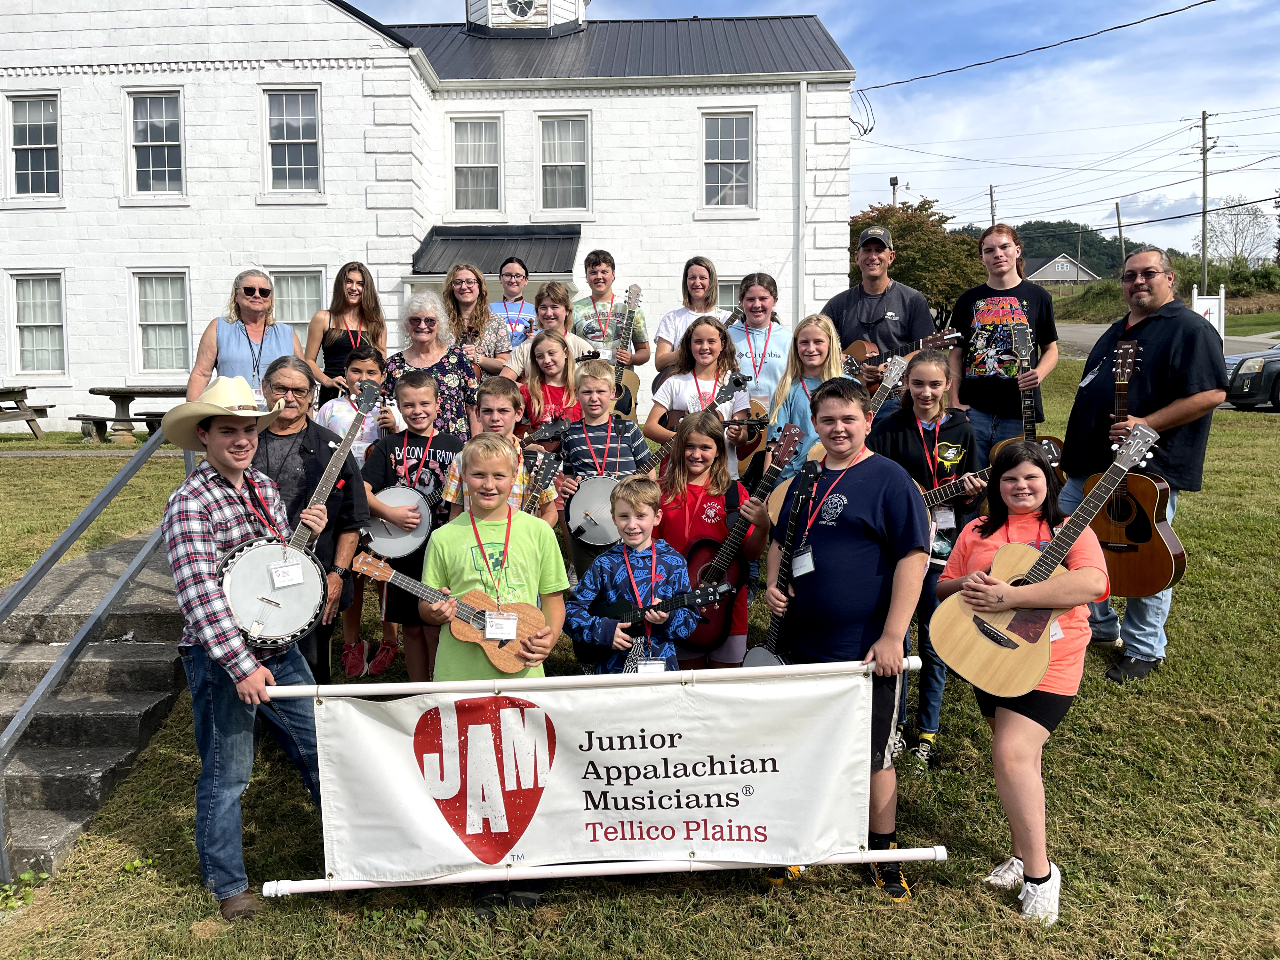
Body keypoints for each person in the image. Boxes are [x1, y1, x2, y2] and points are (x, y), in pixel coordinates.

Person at [160, 375, 327, 922]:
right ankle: (229, 884)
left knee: (322, 750)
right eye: (227, 430)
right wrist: (241, 666)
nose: (241, 439)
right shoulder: (190, 502)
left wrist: (301, 540)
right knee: (228, 773)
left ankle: (350, 848)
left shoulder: (261, 487)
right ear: (204, 436)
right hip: (222, 659)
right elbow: (199, 594)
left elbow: (274, 574)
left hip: (279, 647)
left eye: (248, 429)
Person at [764, 377, 929, 902]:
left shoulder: (888, 479)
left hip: (865, 649)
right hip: (800, 642)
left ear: (867, 422)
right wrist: (771, 582)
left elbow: (914, 557)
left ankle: (882, 850)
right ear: (815, 423)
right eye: (828, 420)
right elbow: (777, 539)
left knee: (875, 752)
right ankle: (798, 841)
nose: (838, 428)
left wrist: (893, 636)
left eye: (848, 419)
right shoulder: (806, 479)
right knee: (799, 745)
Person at [937, 442, 1110, 925]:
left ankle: (1039, 875)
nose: (1021, 487)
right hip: (988, 650)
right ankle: (1020, 853)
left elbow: (1092, 585)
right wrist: (973, 582)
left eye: (1031, 478)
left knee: (1011, 753)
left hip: (1052, 656)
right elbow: (943, 584)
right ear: (996, 484)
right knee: (1020, 759)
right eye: (1010, 479)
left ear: (1048, 481)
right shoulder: (977, 528)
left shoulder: (1068, 529)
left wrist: (1013, 593)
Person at [1057, 246, 1228, 682]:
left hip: (1147, 469)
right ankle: (1100, 626)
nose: (1138, 282)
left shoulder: (1189, 329)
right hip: (1088, 467)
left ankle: (1145, 648)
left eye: (1148, 273)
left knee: (1144, 556)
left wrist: (1146, 423)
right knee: (1075, 546)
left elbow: (1211, 393)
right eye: (1129, 276)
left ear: (1169, 277)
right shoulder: (1117, 331)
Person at [418, 432, 568, 917]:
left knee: (524, 768)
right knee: (474, 772)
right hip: (461, 672)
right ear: (462, 478)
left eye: (499, 475)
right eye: (478, 475)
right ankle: (483, 871)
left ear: (515, 480)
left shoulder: (537, 532)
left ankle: (526, 864)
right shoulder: (444, 537)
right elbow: (426, 605)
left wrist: (550, 635)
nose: (488, 484)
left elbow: (552, 600)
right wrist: (435, 613)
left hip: (523, 666)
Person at [868, 349, 985, 765]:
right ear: (906, 385)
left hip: (945, 546)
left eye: (935, 384)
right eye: (917, 383)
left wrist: (972, 491)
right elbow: (873, 483)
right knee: (895, 634)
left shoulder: (962, 429)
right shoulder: (888, 428)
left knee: (934, 639)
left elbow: (975, 491)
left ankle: (928, 730)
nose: (926, 391)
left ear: (948, 386)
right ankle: (896, 723)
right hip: (898, 547)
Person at [251, 356, 369, 684]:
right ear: (264, 389)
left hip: (313, 579)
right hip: (251, 574)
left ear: (312, 394)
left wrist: (336, 577)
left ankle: (312, 733)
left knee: (311, 671)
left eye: (299, 391)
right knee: (252, 668)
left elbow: (352, 519)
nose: (290, 398)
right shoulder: (243, 441)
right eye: (281, 388)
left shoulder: (332, 447)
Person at [361, 371, 464, 682]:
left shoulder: (456, 446)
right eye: (408, 405)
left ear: (438, 404)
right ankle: (419, 689)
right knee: (411, 625)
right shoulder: (388, 445)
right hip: (402, 547)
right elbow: (363, 491)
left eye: (424, 403)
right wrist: (390, 514)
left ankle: (439, 685)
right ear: (398, 407)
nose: (417, 411)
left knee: (436, 624)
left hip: (441, 546)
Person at [314, 344, 403, 677]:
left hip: (383, 497)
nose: (363, 378)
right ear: (345, 375)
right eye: (356, 372)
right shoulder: (332, 409)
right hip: (343, 495)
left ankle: (389, 639)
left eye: (371, 373)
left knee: (384, 570)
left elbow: (408, 446)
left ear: (382, 377)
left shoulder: (393, 408)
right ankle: (352, 642)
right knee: (352, 568)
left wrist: (395, 428)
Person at [655, 411, 768, 669]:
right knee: (686, 681)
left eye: (705, 447)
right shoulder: (662, 493)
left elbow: (750, 554)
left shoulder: (733, 493)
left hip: (726, 605)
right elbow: (651, 549)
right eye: (689, 446)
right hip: (677, 603)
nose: (696, 454)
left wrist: (761, 527)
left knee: (725, 685)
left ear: (718, 450)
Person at [948, 224, 1059, 468]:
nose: (998, 254)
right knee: (972, 479)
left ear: (1017, 250)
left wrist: (1038, 374)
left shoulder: (1039, 297)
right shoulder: (968, 300)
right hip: (974, 407)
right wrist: (953, 400)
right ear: (982, 259)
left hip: (1018, 408)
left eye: (1004, 247)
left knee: (1013, 476)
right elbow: (955, 353)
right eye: (990, 250)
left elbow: (1051, 349)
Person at [565, 475, 700, 673]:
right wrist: (603, 632)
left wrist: (668, 618)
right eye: (624, 516)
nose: (631, 524)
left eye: (640, 516)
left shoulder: (673, 562)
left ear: (657, 517)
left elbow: (690, 621)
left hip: (660, 669)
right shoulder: (605, 564)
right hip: (613, 671)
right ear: (613, 518)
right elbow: (570, 613)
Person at [559, 360, 658, 580]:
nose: (594, 398)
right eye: (587, 392)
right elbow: (568, 474)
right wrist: (566, 485)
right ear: (577, 394)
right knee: (590, 583)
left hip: (627, 521)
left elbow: (650, 476)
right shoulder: (570, 433)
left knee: (629, 581)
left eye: (600, 391)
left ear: (613, 392)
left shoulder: (628, 429)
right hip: (585, 522)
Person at [821, 226, 934, 418]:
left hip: (897, 401)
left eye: (879, 250)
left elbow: (926, 348)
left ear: (891, 257)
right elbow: (819, 342)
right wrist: (844, 360)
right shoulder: (838, 304)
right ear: (857, 257)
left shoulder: (912, 299)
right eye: (867, 250)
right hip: (850, 402)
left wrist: (892, 368)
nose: (873, 256)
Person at [441, 377, 559, 526]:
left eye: (503, 411)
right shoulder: (461, 459)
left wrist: (533, 538)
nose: (495, 418)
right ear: (477, 413)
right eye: (487, 411)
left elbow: (550, 512)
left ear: (518, 413)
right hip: (474, 543)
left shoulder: (535, 461)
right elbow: (455, 516)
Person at [643, 315, 749, 477]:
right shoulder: (675, 382)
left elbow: (742, 437)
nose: (704, 347)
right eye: (698, 341)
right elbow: (650, 427)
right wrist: (685, 439)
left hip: (722, 475)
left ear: (723, 344)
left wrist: (737, 435)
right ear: (689, 345)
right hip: (680, 475)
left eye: (711, 341)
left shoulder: (735, 383)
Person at [187, 269, 303, 404]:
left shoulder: (287, 333)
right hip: (231, 413)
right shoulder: (218, 327)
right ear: (236, 295)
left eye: (264, 292)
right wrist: (191, 415)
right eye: (249, 290)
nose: (257, 295)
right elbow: (201, 374)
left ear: (270, 299)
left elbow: (304, 378)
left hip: (277, 415)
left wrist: (308, 418)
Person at [384, 291, 480, 440]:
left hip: (454, 447)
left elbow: (473, 406)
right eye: (415, 320)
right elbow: (388, 410)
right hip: (410, 448)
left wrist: (476, 444)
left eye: (430, 320)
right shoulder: (393, 365)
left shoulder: (457, 357)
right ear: (406, 325)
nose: (423, 326)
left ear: (439, 324)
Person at [765, 313, 847, 483]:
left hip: (838, 477)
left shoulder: (849, 387)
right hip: (792, 479)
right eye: (804, 342)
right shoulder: (786, 390)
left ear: (831, 345)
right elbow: (773, 445)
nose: (811, 349)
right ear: (795, 346)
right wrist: (765, 493)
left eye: (818, 342)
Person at [728, 273, 791, 488]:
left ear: (774, 300)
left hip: (775, 421)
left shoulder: (788, 338)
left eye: (763, 299)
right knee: (736, 484)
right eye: (750, 299)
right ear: (741, 302)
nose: (757, 305)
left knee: (770, 485)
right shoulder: (727, 336)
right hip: (739, 423)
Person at [303, 261, 388, 406]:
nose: (354, 288)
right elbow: (308, 360)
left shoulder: (376, 323)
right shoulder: (323, 318)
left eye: (360, 284)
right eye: (349, 282)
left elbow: (381, 363)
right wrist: (327, 381)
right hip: (334, 393)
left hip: (365, 394)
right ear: (340, 285)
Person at [500, 280, 598, 381]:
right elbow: (504, 380)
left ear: (567, 310)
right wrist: (529, 391)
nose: (549, 313)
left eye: (554, 307)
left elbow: (595, 384)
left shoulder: (580, 346)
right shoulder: (526, 346)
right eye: (543, 307)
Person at [571, 249, 651, 368]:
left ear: (613, 275)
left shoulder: (631, 309)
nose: (599, 277)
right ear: (586, 277)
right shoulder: (574, 309)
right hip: (586, 381)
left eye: (604, 272)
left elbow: (644, 351)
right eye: (593, 272)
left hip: (621, 381)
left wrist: (632, 358)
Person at [653, 256, 730, 375]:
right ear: (686, 282)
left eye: (703, 278)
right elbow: (660, 362)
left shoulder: (726, 318)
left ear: (711, 281)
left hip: (717, 386)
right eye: (692, 278)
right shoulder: (673, 318)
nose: (697, 282)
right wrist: (689, 350)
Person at [443, 262, 512, 378]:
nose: (464, 287)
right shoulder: (441, 321)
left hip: (485, 391)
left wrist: (478, 358)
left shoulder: (496, 321)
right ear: (452, 288)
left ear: (480, 286)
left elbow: (505, 364)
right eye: (458, 282)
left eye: (470, 282)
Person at [520, 331, 583, 431]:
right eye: (540, 356)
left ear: (565, 353)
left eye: (551, 353)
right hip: (540, 445)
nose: (546, 360)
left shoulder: (580, 388)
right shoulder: (528, 390)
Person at [492, 256, 537, 349]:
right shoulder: (488, 309)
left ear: (526, 280)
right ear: (500, 278)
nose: (513, 280)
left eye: (518, 276)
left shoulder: (536, 311)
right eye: (508, 275)